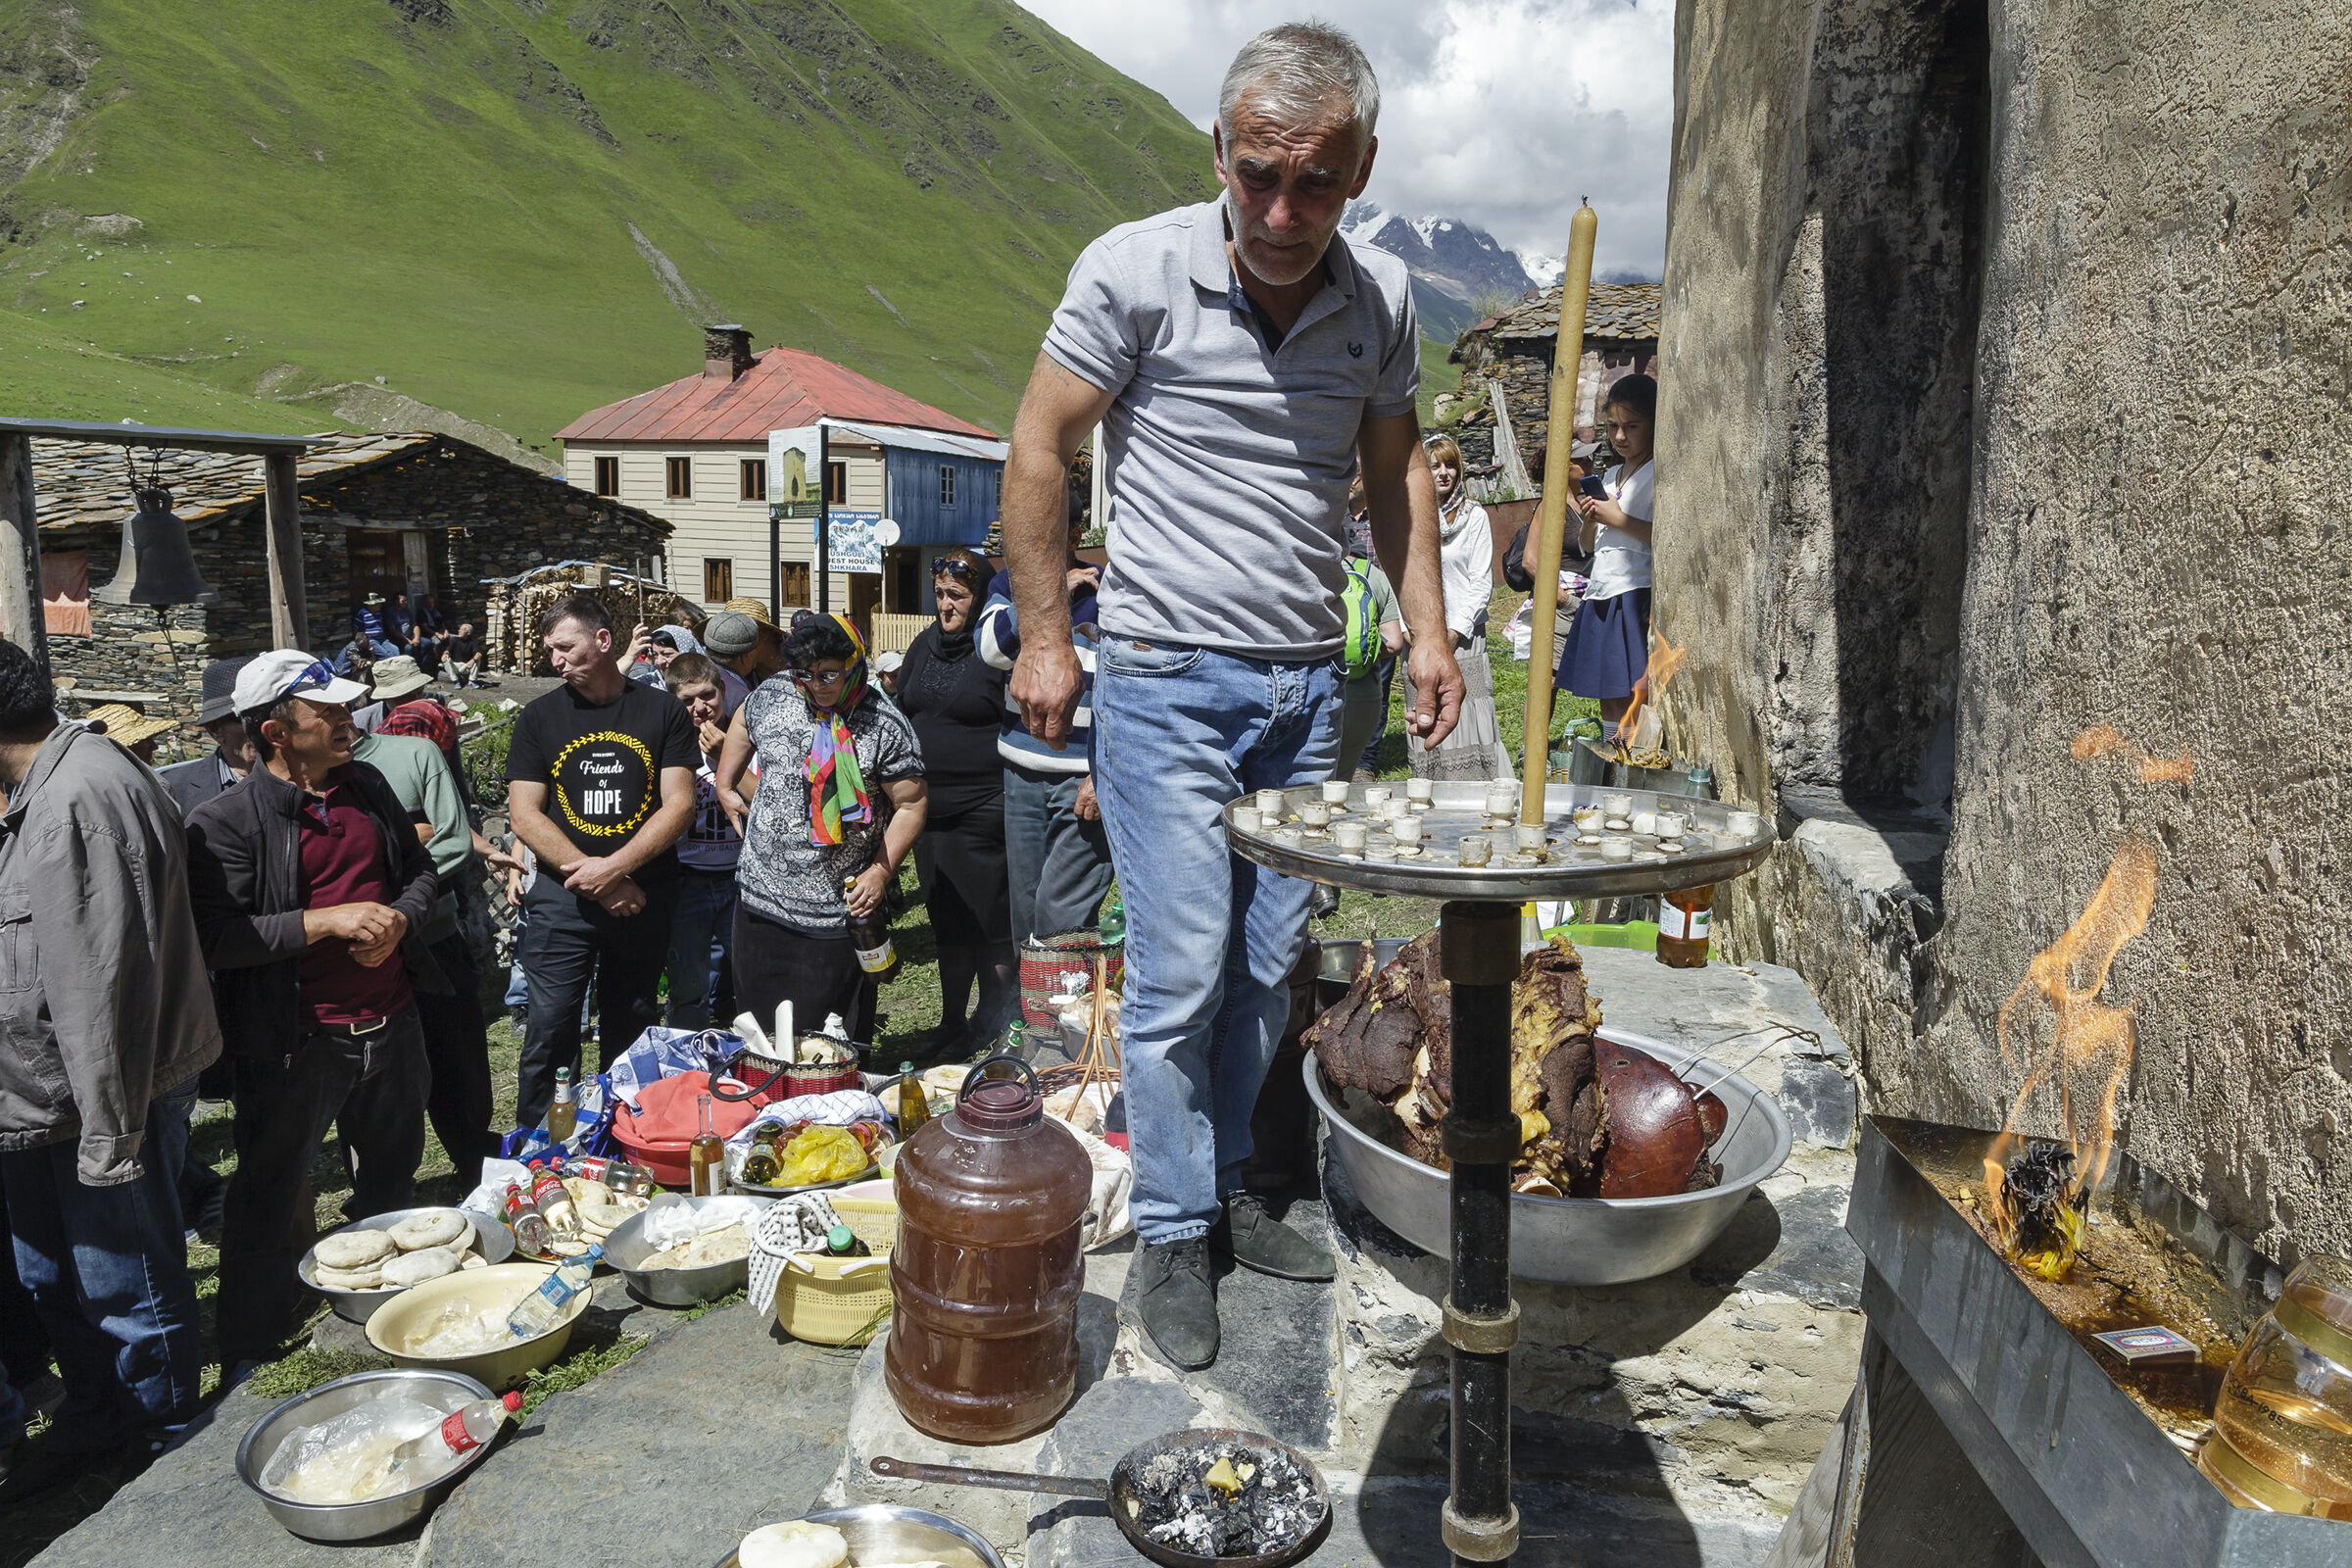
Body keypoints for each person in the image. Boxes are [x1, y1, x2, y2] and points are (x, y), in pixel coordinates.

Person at [1002, 22, 1462, 1367]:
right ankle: (1175, 1230)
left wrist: (1428, 634)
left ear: (1361, 168)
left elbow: (1399, 473)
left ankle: (1240, 1190)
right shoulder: (1132, 272)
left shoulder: (1379, 302)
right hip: (1162, 682)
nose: (1279, 210)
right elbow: (1039, 441)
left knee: (1270, 968)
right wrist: (1046, 637)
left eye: (1314, 183)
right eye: (1257, 172)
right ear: (1219, 150)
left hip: (1308, 691)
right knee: (1182, 967)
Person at [0, 640, 220, 1506]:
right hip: (44, 1101)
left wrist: (111, 1133)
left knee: (126, 1282)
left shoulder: (77, 802)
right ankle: (97, 1419)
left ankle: (167, 1450)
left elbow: (101, 988)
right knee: (55, 1278)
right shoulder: (45, 790)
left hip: (94, 1101)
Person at [184, 652, 441, 1378]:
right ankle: (250, 1347)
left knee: (392, 1175)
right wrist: (324, 923)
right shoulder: (223, 823)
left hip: (391, 1020)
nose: (345, 722)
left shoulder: (366, 785)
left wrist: (396, 918)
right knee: (267, 1196)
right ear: (275, 731)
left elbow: (420, 876)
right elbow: (218, 938)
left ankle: (385, 1313)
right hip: (298, 1042)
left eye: (343, 709)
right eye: (325, 714)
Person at [504, 596, 699, 1128]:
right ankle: (544, 1144)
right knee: (550, 1026)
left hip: (643, 897)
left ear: (604, 641)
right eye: (550, 651)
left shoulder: (661, 712)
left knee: (632, 1020)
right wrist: (599, 879)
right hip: (562, 901)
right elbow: (524, 815)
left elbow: (679, 804)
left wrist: (617, 869)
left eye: (565, 647)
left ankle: (626, 1133)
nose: (556, 660)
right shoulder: (539, 717)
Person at [716, 613, 925, 1046]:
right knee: (760, 1032)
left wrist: (880, 873)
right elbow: (742, 720)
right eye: (805, 674)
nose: (816, 684)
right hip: (761, 899)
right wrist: (725, 780)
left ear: (853, 664)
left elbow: (911, 803)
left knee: (825, 1043)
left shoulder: (883, 724)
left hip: (834, 913)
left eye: (829, 673)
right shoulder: (776, 692)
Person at [350, 722, 498, 1169]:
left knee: (457, 1061)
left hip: (431, 936)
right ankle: (377, 1191)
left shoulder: (416, 755)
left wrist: (384, 906)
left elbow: (453, 839)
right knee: (371, 1077)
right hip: (356, 957)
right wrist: (414, 833)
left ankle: (477, 1167)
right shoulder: (305, 780)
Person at [978, 501, 1116, 945]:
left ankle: (1066, 1011)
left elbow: (1130, 689)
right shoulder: (1008, 584)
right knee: (1026, 911)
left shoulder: (1108, 592)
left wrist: (1105, 771)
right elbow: (991, 649)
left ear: (1075, 536)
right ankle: (1034, 1012)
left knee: (1061, 915)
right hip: (1021, 774)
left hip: (1084, 778)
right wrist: (1049, 594)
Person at [895, 550, 1014, 1051]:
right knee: (945, 917)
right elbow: (902, 708)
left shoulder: (997, 651)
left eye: (958, 596)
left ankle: (992, 1020)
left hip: (983, 806)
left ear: (982, 597)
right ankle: (951, 1021)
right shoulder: (923, 645)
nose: (945, 606)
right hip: (927, 809)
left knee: (987, 919)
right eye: (940, 594)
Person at [1406, 433, 1508, 780]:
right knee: (1427, 707)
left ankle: (1477, 784)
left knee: (1466, 708)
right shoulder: (1412, 517)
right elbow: (1401, 572)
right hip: (1421, 633)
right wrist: (1412, 626)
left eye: (1450, 465)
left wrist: (1455, 631)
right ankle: (1431, 785)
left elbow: (1481, 581)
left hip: (1463, 632)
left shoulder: (1474, 517)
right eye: (1434, 466)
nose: (1443, 473)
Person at [1558, 373, 1657, 728]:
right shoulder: (1613, 473)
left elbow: (1666, 537)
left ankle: (1628, 763)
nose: (1619, 436)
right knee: (1608, 694)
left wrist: (1616, 517)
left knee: (1632, 694)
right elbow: (1588, 547)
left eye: (1631, 426)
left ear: (1654, 422)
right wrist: (1590, 520)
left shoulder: (1659, 472)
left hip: (1633, 593)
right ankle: (1612, 759)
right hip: (1601, 593)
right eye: (1613, 426)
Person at [660, 652, 745, 1030]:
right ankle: (684, 1054)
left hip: (739, 876)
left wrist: (728, 758)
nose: (700, 708)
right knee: (688, 984)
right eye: (687, 701)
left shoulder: (743, 738)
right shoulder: (671, 747)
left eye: (707, 696)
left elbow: (766, 804)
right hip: (687, 878)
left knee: (746, 973)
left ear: (722, 690)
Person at [160, 656, 259, 815]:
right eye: (246, 719)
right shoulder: (174, 788)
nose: (263, 727)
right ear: (215, 731)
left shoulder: (302, 777)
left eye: (269, 714)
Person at [352, 593, 397, 660]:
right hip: (371, 640)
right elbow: (356, 627)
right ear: (371, 605)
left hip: (382, 639)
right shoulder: (362, 613)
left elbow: (380, 625)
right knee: (386, 656)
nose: (380, 606)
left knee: (395, 650)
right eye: (377, 604)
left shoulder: (378, 613)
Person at [442, 622, 483, 688]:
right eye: (459, 629)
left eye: (462, 630)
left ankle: (472, 681)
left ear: (468, 633)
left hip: (466, 666)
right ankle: (455, 681)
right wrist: (445, 654)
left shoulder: (472, 641)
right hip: (455, 666)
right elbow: (447, 650)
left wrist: (472, 660)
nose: (459, 631)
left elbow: (479, 653)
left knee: (478, 659)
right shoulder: (454, 640)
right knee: (446, 659)